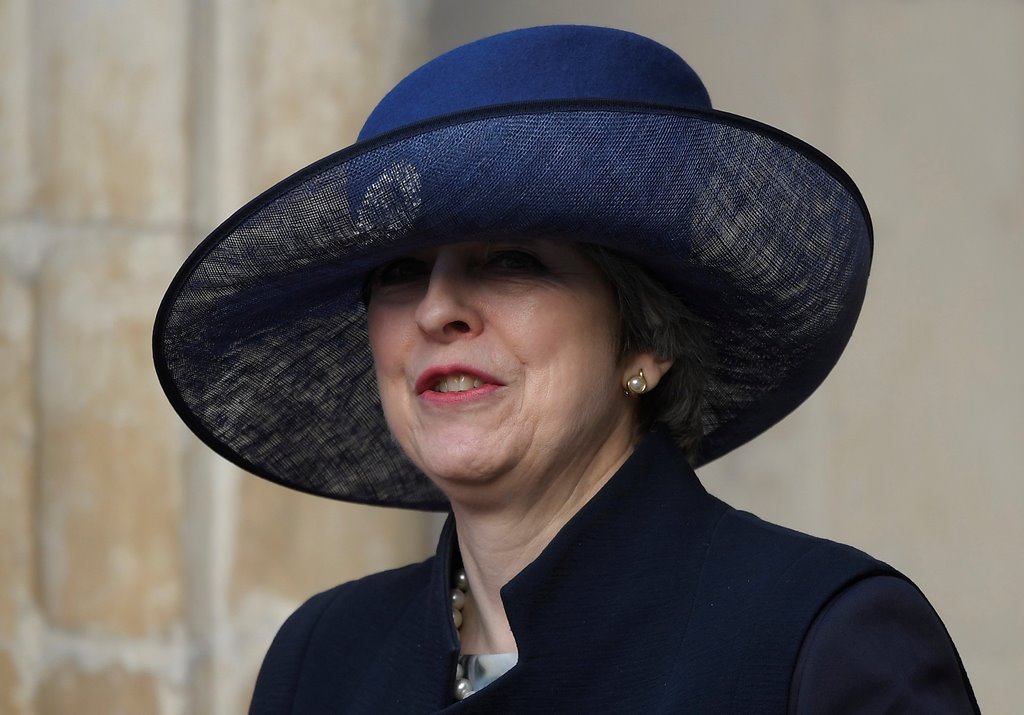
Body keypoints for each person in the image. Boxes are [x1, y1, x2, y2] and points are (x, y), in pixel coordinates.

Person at [153, 25, 980, 713]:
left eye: (512, 259)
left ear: (646, 341)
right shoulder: (321, 661)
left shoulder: (821, 645)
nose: (437, 308)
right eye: (401, 272)